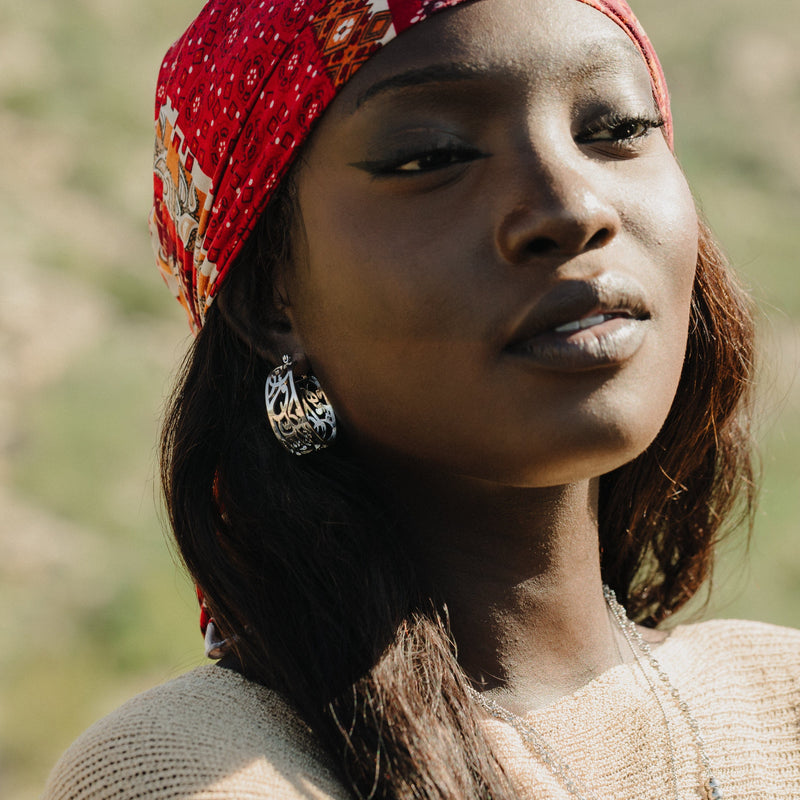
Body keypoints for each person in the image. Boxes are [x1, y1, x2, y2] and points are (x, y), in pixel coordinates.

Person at [44, 0, 800, 798]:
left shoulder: (780, 694)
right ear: (270, 299)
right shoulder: (193, 772)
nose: (573, 209)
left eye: (614, 129)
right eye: (432, 155)